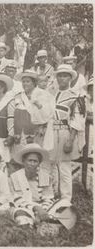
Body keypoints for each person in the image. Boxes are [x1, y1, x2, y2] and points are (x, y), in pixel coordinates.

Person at [9, 143, 76, 231]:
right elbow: (17, 199)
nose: (32, 164)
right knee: (20, 215)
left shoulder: (45, 176)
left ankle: (43, 223)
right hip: (25, 207)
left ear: (39, 163)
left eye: (35, 161)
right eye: (29, 160)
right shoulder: (15, 177)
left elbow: (48, 197)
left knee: (66, 205)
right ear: (23, 161)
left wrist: (43, 211)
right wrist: (36, 209)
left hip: (44, 208)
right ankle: (48, 225)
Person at [50, 64, 85, 202]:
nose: (62, 78)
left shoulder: (75, 96)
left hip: (65, 132)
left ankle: (65, 198)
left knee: (64, 166)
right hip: (50, 132)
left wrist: (70, 140)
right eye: (60, 75)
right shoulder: (51, 94)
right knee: (50, 164)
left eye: (65, 75)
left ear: (70, 78)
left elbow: (77, 120)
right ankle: (52, 195)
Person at [9, 70, 55, 153]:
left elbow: (48, 115)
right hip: (20, 134)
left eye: (28, 81)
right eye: (23, 82)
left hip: (38, 133)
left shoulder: (43, 95)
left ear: (34, 83)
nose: (25, 84)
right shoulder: (18, 96)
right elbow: (12, 116)